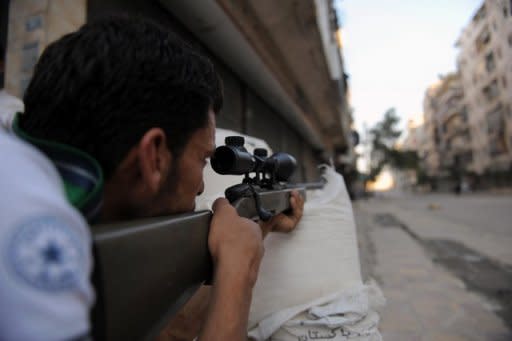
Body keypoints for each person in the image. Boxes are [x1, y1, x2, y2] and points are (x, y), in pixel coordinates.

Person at [2, 16, 303, 340]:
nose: (202, 186)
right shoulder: (32, 233)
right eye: (203, 159)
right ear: (154, 156)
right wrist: (237, 274)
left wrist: (258, 227)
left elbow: (166, 331)